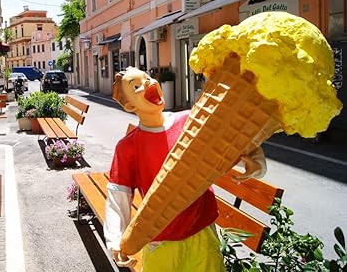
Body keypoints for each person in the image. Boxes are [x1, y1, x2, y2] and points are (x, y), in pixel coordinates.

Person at [105, 67, 266, 271]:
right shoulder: (128, 147)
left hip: (202, 233)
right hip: (160, 243)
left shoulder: (191, 120)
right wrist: (115, 240)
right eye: (136, 86)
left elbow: (231, 141)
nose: (148, 83)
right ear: (129, 106)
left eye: (148, 78)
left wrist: (254, 158)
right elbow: (118, 195)